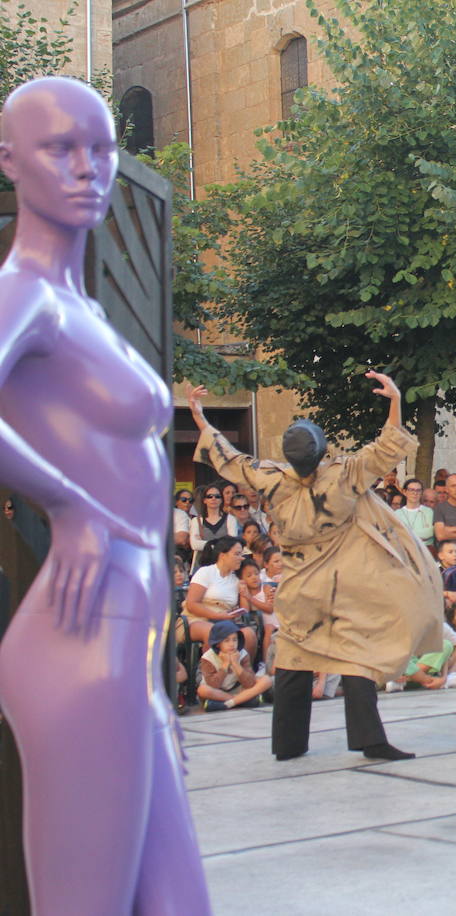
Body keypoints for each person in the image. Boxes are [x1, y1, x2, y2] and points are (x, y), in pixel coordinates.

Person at [0, 76, 211, 916]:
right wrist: (68, 503)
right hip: (83, 628)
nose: (88, 168)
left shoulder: (79, 308)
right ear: (11, 161)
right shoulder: (23, 295)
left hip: (130, 633)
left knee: (176, 903)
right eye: (61, 148)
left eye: (102, 148)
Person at [188, 371, 442, 762]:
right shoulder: (341, 477)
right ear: (322, 452)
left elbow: (232, 462)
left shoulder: (271, 480)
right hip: (343, 588)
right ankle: (369, 739)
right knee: (355, 657)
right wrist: (394, 400)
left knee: (293, 661)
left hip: (298, 590)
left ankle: (288, 745)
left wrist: (201, 418)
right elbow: (385, 450)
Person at [183, 536, 260, 662]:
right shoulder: (205, 572)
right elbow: (192, 604)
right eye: (237, 554)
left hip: (225, 621)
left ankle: (243, 675)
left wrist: (245, 594)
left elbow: (244, 610)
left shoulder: (236, 580)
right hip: (196, 618)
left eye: (242, 554)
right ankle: (212, 675)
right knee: (213, 632)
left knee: (249, 634)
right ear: (223, 555)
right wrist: (218, 616)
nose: (241, 558)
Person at [197, 619, 273, 711]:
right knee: (202, 690)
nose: (232, 644)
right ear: (217, 644)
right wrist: (225, 665)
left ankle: (229, 704)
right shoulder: (207, 658)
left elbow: (250, 683)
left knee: (266, 680)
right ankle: (242, 700)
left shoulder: (242, 654)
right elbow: (214, 685)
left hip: (237, 688)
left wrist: (236, 664)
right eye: (227, 641)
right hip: (218, 692)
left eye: (235, 640)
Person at [395, 477, 435, 550]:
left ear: (421, 493)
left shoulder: (428, 511)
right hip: (404, 551)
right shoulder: (397, 514)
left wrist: (407, 535)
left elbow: (430, 533)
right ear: (404, 492)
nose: (415, 493)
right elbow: (396, 534)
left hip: (425, 551)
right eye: (411, 490)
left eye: (418, 490)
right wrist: (420, 536)